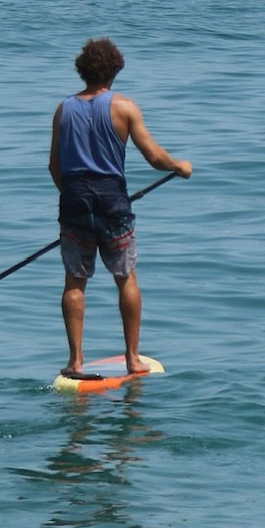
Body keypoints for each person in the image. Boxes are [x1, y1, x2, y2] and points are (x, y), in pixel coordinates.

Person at [48, 38, 193, 380]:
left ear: (83, 71)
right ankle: (132, 359)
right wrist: (180, 166)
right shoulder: (125, 107)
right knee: (125, 277)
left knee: (74, 282)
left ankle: (75, 362)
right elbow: (154, 157)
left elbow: (55, 166)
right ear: (114, 71)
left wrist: (74, 203)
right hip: (112, 201)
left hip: (74, 201)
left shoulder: (63, 109)